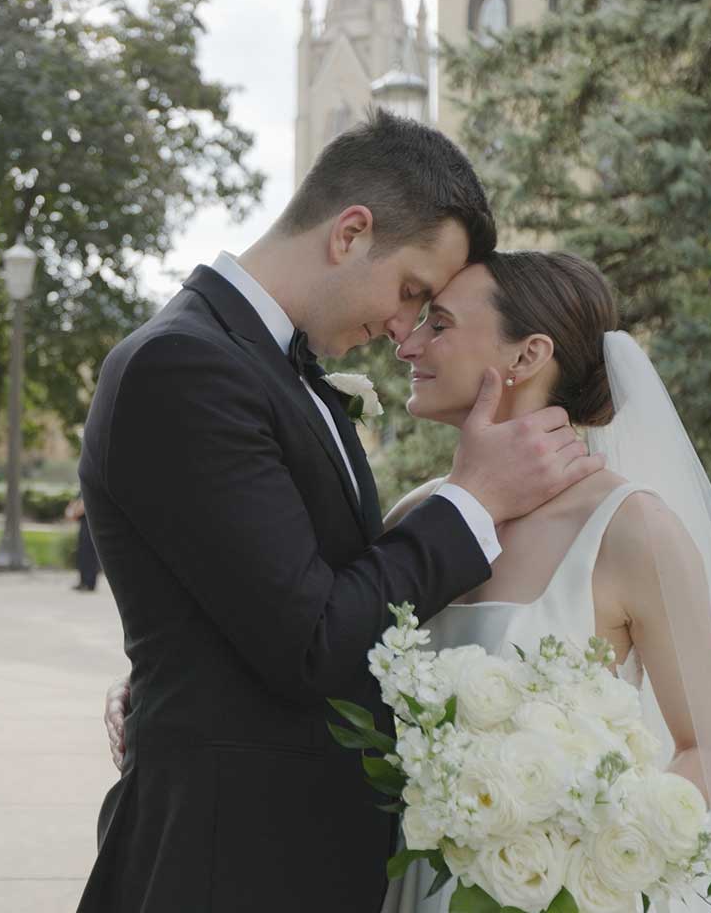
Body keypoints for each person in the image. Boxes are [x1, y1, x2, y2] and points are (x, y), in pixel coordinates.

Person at [76, 111, 603, 912]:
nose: (401, 330)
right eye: (412, 292)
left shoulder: (271, 368)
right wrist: (474, 499)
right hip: (225, 865)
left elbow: (280, 589)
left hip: (298, 857)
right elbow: (312, 638)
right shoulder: (183, 365)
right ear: (350, 233)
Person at [378, 250, 711, 913]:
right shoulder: (415, 517)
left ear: (527, 355)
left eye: (441, 324)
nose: (408, 344)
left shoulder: (632, 531)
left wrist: (579, 863)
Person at [66, 495, 99, 592]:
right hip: (84, 522)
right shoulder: (80, 490)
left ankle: (89, 583)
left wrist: (74, 513)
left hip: (90, 523)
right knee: (83, 553)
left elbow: (84, 503)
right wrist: (71, 511)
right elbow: (74, 502)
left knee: (89, 553)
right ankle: (83, 581)